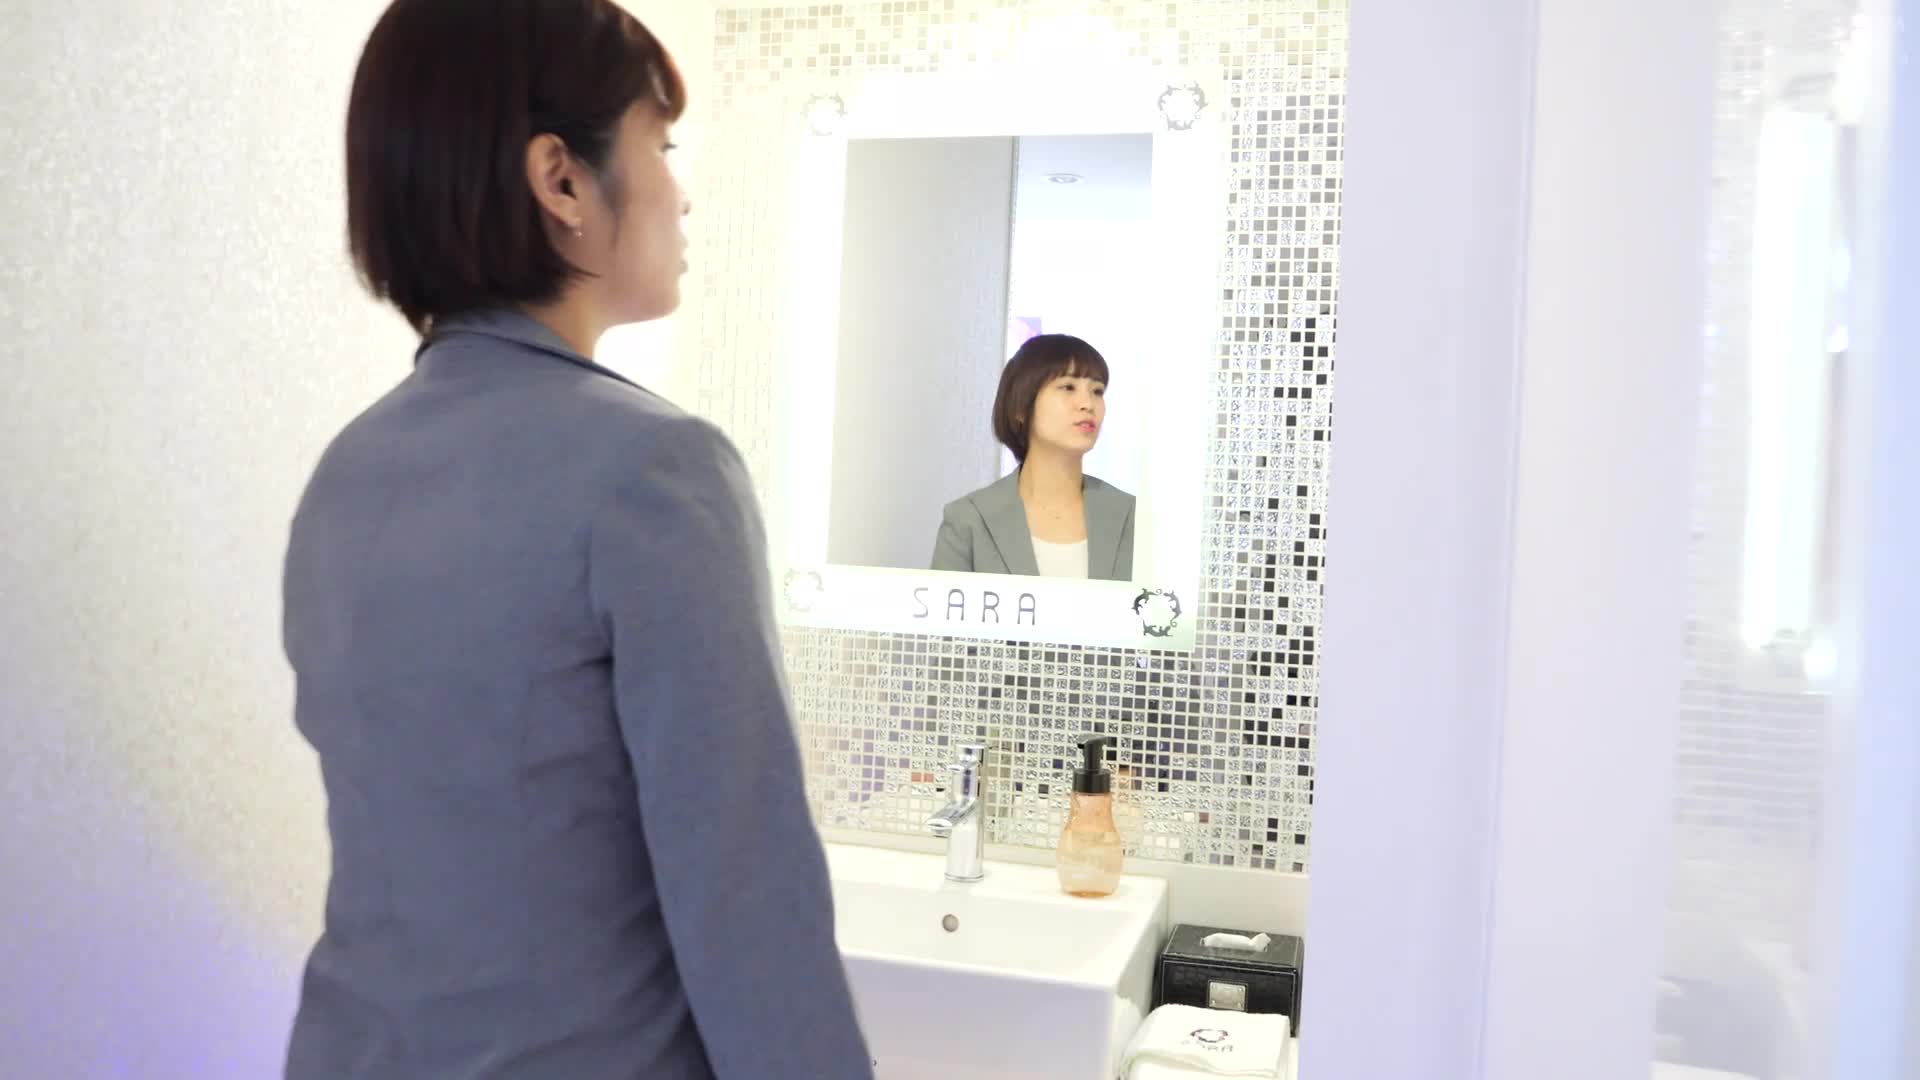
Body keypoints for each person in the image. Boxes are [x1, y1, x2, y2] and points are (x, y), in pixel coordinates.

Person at [280, 2, 871, 1077]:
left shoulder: (346, 474)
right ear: (561, 180)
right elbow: (751, 924)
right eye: (662, 146)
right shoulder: (656, 472)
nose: (681, 192)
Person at [930, 334, 1136, 580]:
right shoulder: (968, 520)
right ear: (1021, 406)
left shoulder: (1134, 517)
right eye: (1068, 387)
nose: (1087, 404)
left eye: (1097, 391)